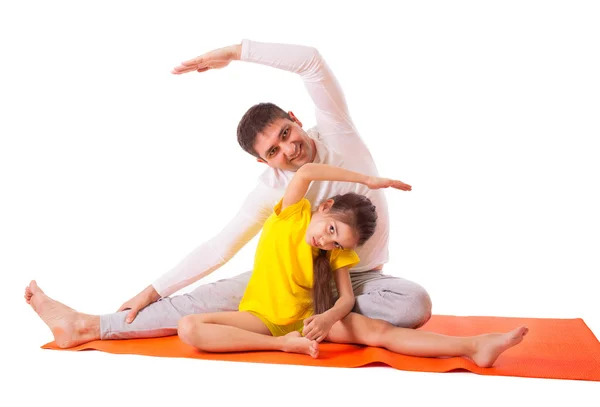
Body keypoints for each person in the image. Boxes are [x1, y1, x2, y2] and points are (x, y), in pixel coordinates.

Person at [24, 39, 432, 349]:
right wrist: (153, 289)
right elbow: (220, 247)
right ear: (263, 162)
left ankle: (305, 319)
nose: (289, 150)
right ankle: (87, 326)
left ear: (295, 118)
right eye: (273, 151)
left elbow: (311, 61)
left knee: (412, 304)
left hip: (358, 280)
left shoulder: (339, 133)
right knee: (205, 300)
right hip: (287, 281)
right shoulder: (272, 189)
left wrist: (234, 53)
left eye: (286, 134)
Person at [177, 163, 529, 367]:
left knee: (381, 334)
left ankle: (475, 346)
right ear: (324, 206)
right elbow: (307, 170)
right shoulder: (289, 214)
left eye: (336, 242)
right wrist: (366, 180)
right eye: (331, 230)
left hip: (307, 321)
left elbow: (344, 299)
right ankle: (284, 346)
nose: (327, 242)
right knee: (189, 328)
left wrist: (327, 319)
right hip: (262, 319)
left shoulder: (335, 253)